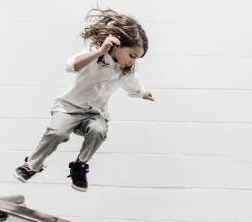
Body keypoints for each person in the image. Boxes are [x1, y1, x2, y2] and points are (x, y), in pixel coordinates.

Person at [14, 8, 154, 192]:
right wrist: (100, 51)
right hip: (69, 108)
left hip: (95, 113)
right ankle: (32, 165)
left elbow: (133, 85)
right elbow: (71, 66)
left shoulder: (127, 70)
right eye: (132, 55)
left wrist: (143, 93)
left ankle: (79, 165)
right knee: (57, 133)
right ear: (118, 45)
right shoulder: (95, 52)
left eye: (137, 58)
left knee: (99, 130)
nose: (132, 62)